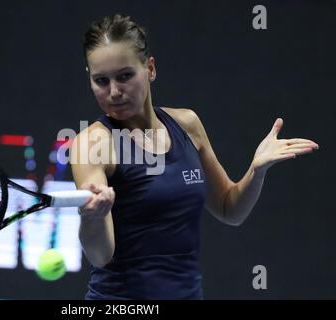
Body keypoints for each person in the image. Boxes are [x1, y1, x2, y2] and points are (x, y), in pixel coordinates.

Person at [69, 14, 319, 300]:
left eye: (125, 76)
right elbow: (100, 255)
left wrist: (256, 171)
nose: (114, 92)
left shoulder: (187, 124)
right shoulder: (91, 144)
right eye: (101, 80)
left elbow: (229, 209)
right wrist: (91, 218)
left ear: (150, 68)